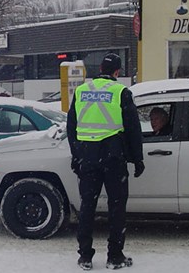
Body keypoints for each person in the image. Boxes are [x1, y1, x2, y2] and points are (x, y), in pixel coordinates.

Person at [67, 53, 145, 271]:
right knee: (117, 207)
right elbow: (133, 130)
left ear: (100, 69)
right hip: (113, 157)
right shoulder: (121, 92)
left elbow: (71, 127)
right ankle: (115, 256)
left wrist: (77, 155)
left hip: (88, 157)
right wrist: (137, 159)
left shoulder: (82, 91)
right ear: (117, 72)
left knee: (87, 206)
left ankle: (85, 256)